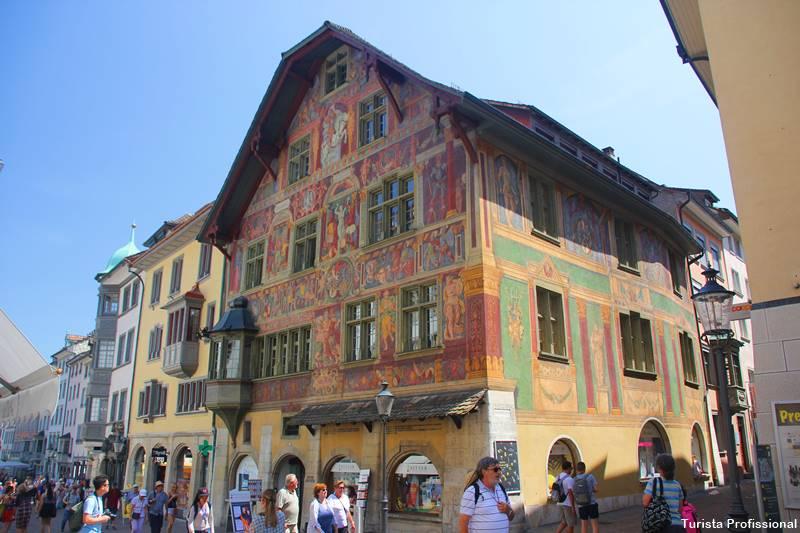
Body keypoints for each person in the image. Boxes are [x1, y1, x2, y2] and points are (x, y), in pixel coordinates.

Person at [458, 456, 514, 533]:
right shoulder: (472, 492)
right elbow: (463, 522)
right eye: (495, 469)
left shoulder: (501, 488)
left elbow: (511, 517)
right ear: (484, 472)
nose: (499, 472)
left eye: (500, 469)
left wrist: (508, 510)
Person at [643, 454, 687, 532]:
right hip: (677, 526)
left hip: (660, 525)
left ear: (659, 468)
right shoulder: (677, 485)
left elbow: (645, 503)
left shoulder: (653, 482)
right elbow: (680, 508)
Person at [573, 462, 599, 533]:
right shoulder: (590, 477)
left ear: (577, 469)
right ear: (584, 469)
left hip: (581, 504)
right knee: (594, 525)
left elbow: (574, 491)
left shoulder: (574, 479)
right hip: (592, 503)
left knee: (584, 525)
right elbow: (596, 489)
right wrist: (592, 490)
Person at [555, 461, 577, 533]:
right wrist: (573, 507)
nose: (571, 470)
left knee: (564, 522)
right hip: (567, 504)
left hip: (560, 502)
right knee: (571, 524)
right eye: (571, 468)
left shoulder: (557, 477)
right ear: (568, 468)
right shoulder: (569, 479)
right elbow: (570, 493)